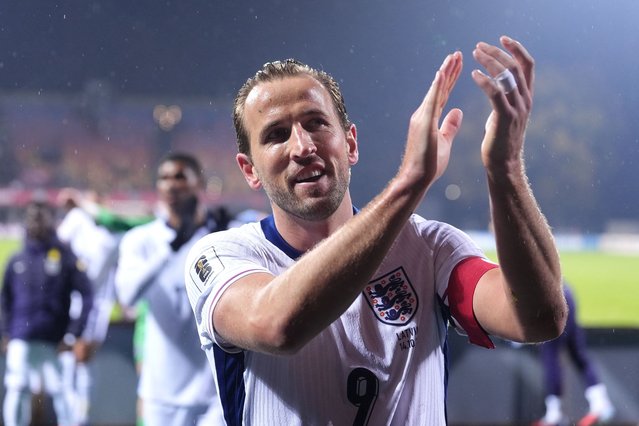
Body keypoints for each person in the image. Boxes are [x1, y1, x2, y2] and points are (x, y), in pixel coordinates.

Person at [183, 34, 567, 425]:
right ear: (250, 170)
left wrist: (505, 169)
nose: (302, 146)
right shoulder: (220, 256)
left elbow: (538, 318)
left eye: (316, 123)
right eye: (276, 134)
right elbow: (278, 327)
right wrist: (409, 182)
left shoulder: (429, 246)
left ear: (350, 144)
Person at [114, 152, 225, 426]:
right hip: (159, 393)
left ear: (198, 183)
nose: (172, 184)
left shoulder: (220, 237)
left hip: (213, 392)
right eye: (164, 178)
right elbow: (127, 295)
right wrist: (171, 247)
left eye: (180, 177)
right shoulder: (141, 240)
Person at [55, 188, 152, 426]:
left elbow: (119, 269)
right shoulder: (78, 220)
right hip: (72, 304)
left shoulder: (112, 232)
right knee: (68, 362)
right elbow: (57, 246)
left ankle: (79, 418)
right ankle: (70, 418)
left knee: (83, 360)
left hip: (96, 307)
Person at [1, 199, 94, 426]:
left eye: (42, 217)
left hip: (56, 340)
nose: (37, 223)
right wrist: (5, 331)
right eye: (33, 217)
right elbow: (4, 300)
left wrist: (74, 333)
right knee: (16, 388)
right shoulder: (17, 260)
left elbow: (87, 295)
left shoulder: (65, 257)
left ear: (52, 221)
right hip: (21, 338)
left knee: (61, 391)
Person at [533, 283, 615, 426]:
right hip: (565, 291)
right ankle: (600, 402)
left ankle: (554, 413)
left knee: (550, 355)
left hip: (549, 298)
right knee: (577, 353)